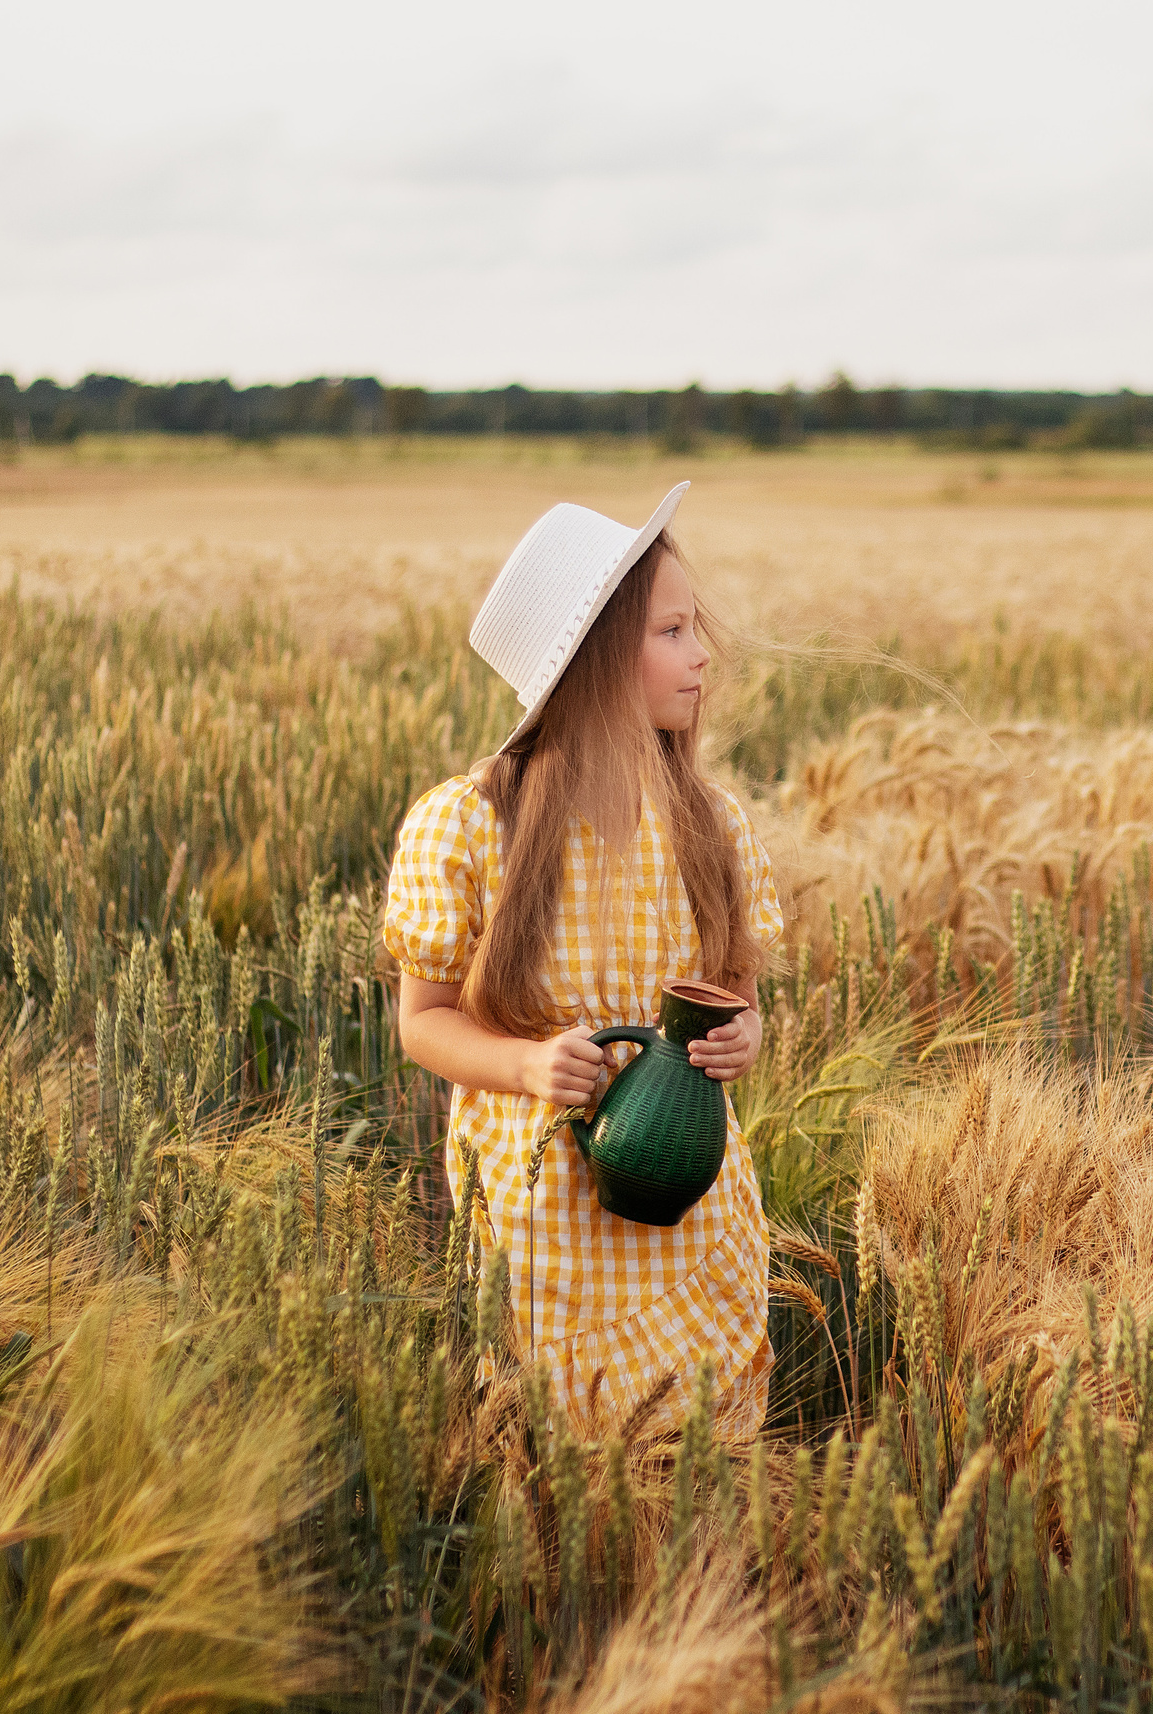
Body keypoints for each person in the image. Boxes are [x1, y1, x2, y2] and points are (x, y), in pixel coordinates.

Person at [381, 483, 785, 1438]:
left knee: (707, 1456)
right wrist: (526, 1064)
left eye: (695, 628)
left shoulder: (710, 826)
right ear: (600, 657)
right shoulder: (468, 825)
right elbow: (422, 1019)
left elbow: (740, 1002)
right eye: (673, 632)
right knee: (560, 1449)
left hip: (698, 1203)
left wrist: (744, 1042)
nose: (702, 656)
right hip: (543, 1211)